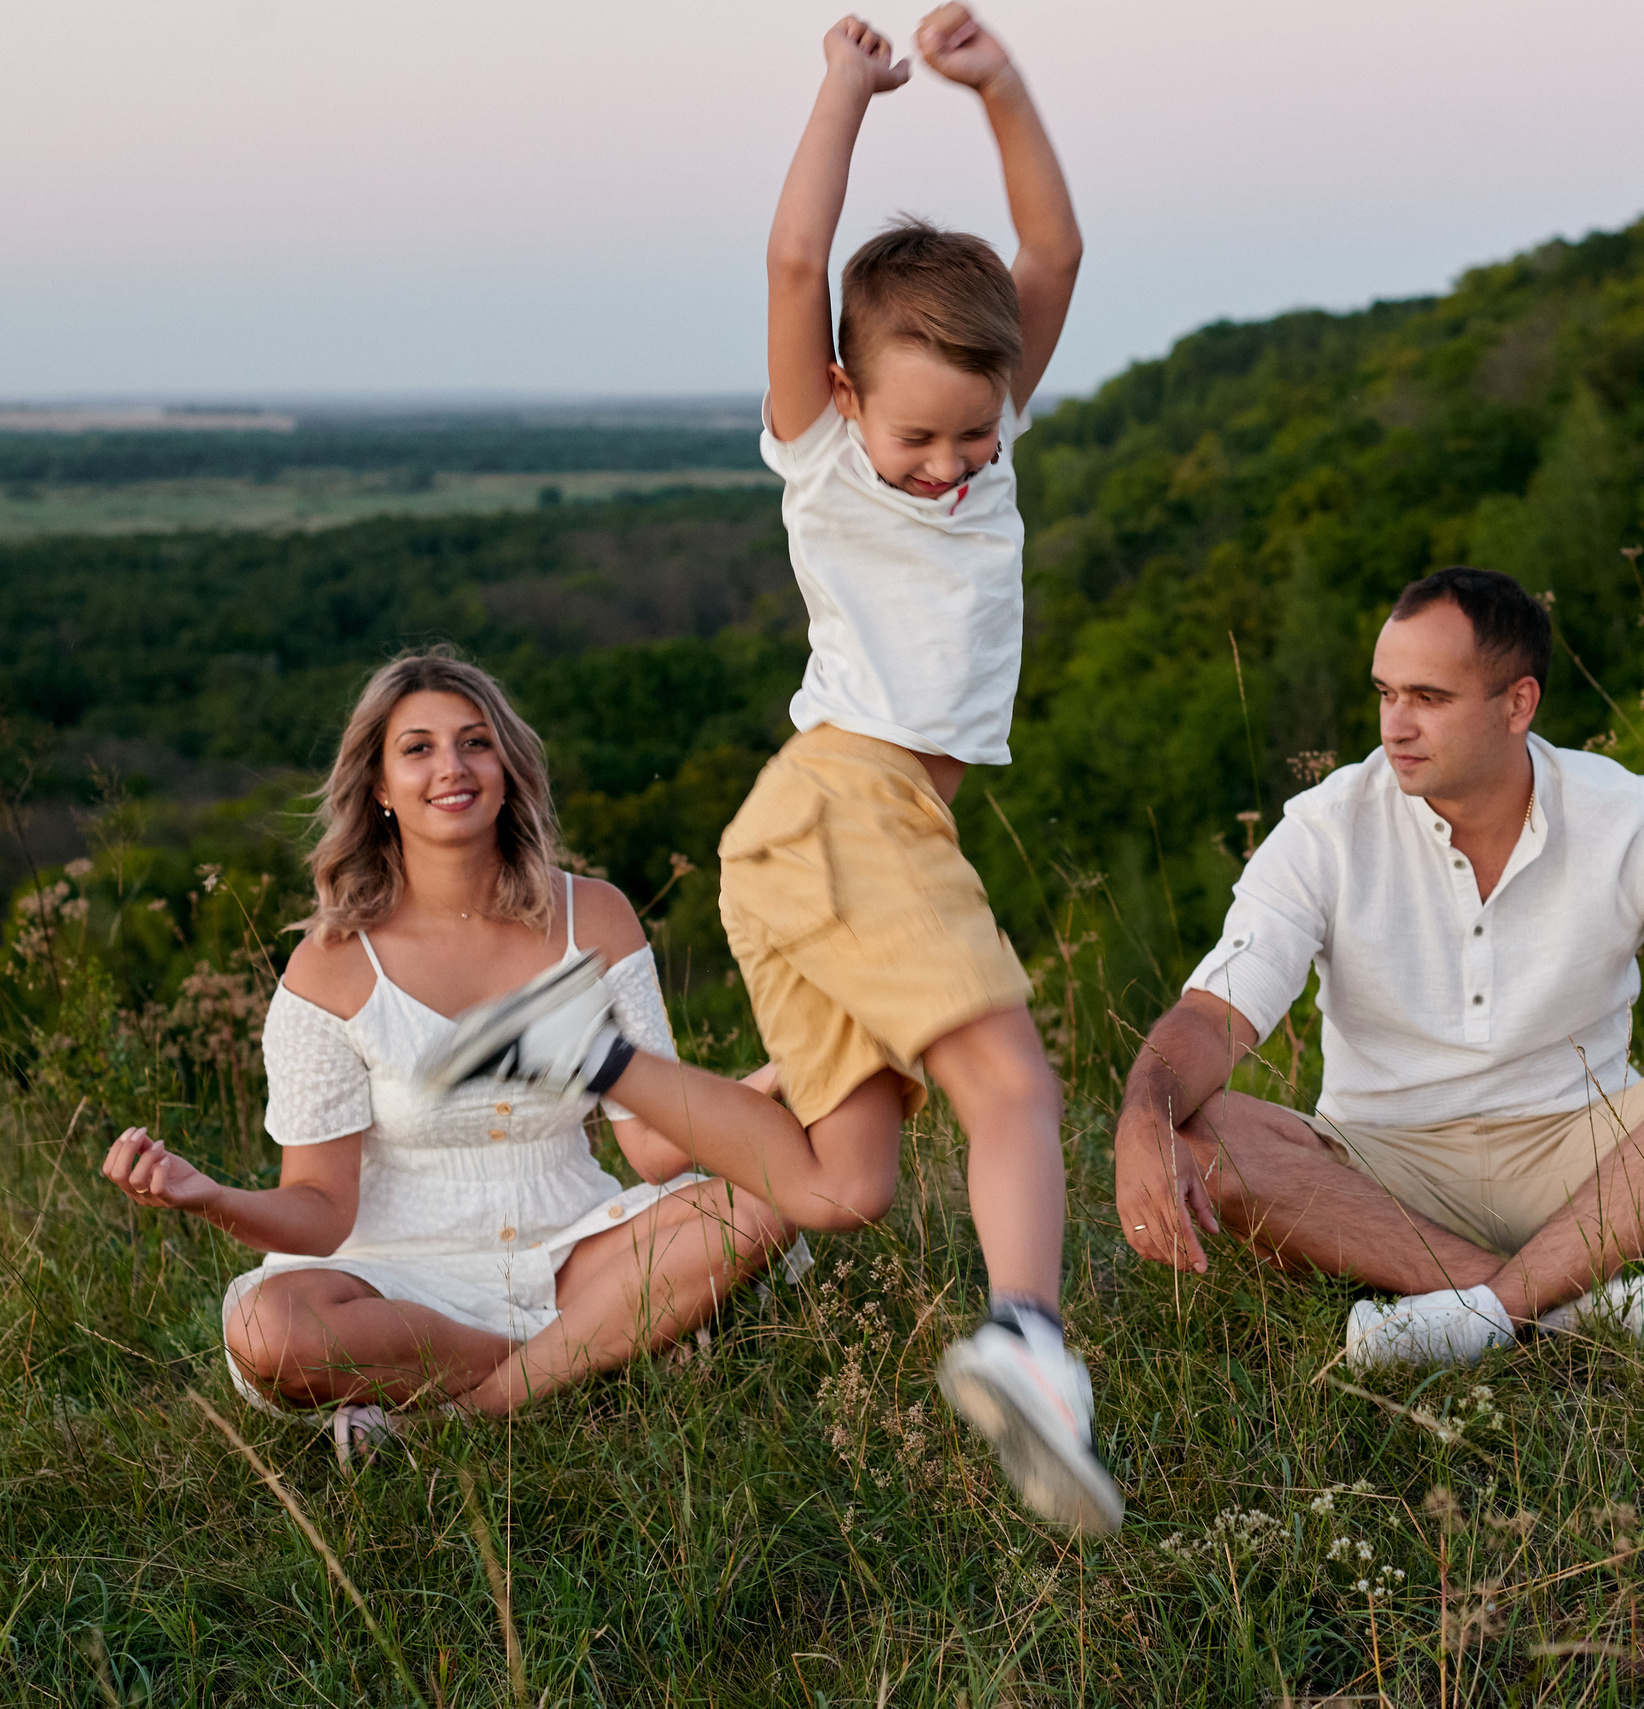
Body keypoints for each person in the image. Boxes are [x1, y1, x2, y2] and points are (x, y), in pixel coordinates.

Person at [457, 6, 1114, 1534]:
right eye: (922, 439)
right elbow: (787, 264)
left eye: (972, 436)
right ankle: (1031, 1338)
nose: (952, 466)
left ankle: (589, 1058)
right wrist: (847, 94)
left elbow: (1057, 259)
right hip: (845, 805)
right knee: (1012, 1084)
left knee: (839, 1187)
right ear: (843, 394)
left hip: (833, 837)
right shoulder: (822, 446)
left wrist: (1001, 87)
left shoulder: (988, 434)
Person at [1113, 567, 1644, 1369]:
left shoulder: (1624, 814)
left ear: (1518, 704)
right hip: (1383, 1169)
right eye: (1385, 693)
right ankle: (1566, 1307)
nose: (1396, 725)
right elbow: (1213, 1018)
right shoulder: (1326, 828)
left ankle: (1471, 1314)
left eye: (1429, 698)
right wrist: (1141, 1115)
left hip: (1587, 1157)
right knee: (1202, 1130)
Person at [98, 651, 799, 1460]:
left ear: (508, 768)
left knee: (764, 1204)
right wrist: (210, 1194)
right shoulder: (329, 966)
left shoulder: (595, 918)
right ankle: (602, 1353)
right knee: (268, 1328)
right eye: (418, 748)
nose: (452, 767)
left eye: (475, 742)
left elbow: (657, 1147)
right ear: (379, 788)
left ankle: (467, 1413)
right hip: (396, 1283)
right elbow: (321, 1211)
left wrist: (791, 1068)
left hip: (574, 1248)